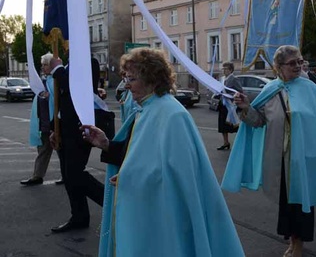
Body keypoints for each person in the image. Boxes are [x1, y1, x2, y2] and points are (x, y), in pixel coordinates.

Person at [81, 48, 244, 256]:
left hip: (165, 214)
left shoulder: (171, 114)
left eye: (132, 78)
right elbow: (135, 153)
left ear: (152, 79)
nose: (127, 85)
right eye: (125, 77)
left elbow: (178, 174)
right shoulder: (146, 109)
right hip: (148, 211)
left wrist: (131, 177)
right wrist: (106, 144)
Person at [222, 45, 316, 257]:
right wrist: (246, 107)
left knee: (303, 204)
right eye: (292, 63)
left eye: (300, 61)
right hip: (281, 159)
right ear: (278, 66)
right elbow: (258, 121)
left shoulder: (310, 88)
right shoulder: (271, 90)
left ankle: (299, 248)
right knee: (287, 204)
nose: (298, 66)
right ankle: (292, 242)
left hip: (305, 158)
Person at [48, 57, 105, 233]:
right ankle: (79, 216)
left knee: (74, 175)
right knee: (68, 176)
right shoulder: (67, 64)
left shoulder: (90, 62)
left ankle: (113, 204)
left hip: (80, 130)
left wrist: (58, 71)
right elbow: (61, 101)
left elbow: (77, 91)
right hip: (64, 130)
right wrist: (54, 128)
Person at [21, 53, 60, 186]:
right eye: (42, 65)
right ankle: (37, 176)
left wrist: (50, 97)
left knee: (62, 150)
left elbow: (60, 101)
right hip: (43, 123)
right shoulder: (43, 82)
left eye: (46, 65)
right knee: (42, 150)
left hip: (55, 123)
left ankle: (67, 175)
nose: (43, 67)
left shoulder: (57, 80)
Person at [217, 62, 243, 150]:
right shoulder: (222, 79)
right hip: (223, 104)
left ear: (231, 70)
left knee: (234, 125)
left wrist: (231, 95)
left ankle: (239, 143)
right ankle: (226, 143)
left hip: (231, 106)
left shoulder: (234, 79)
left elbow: (239, 91)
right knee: (223, 125)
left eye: (226, 69)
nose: (224, 71)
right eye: (223, 69)